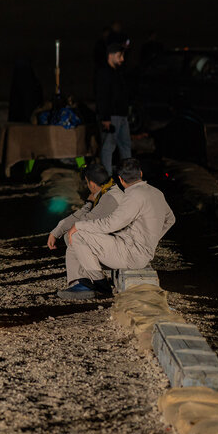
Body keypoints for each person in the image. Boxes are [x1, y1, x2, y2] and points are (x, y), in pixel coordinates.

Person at [59, 159, 175, 301]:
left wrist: (78, 226)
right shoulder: (157, 193)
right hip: (137, 250)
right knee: (76, 244)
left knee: (78, 235)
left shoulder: (133, 195)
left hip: (130, 254)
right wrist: (152, 240)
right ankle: (81, 283)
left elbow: (110, 224)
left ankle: (101, 286)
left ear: (120, 179)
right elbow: (170, 219)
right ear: (141, 173)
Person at [47, 163, 124, 251]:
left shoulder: (109, 198)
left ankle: (90, 265)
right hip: (119, 240)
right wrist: (56, 231)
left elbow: (83, 221)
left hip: (124, 247)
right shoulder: (110, 189)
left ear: (92, 184)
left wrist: (88, 204)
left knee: (73, 236)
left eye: (86, 182)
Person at [95, 43, 130, 175]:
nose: (122, 59)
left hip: (121, 116)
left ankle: (129, 177)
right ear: (110, 55)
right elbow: (102, 96)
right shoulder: (103, 73)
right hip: (111, 116)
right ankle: (107, 179)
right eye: (120, 55)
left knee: (125, 146)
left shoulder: (118, 72)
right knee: (108, 147)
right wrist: (105, 118)